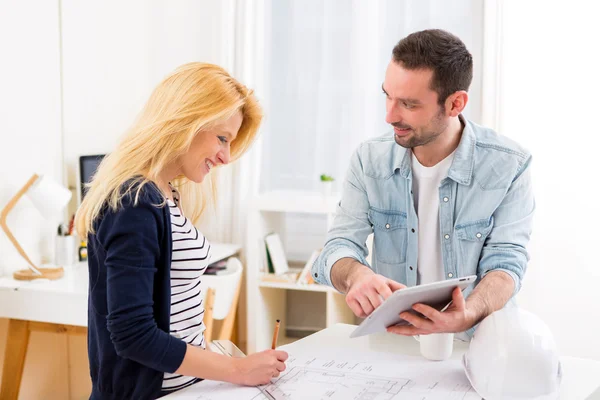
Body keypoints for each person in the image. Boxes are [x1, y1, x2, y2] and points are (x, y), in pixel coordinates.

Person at [75, 63, 288, 400]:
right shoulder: (135, 201)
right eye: (222, 138)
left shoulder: (165, 192)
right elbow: (133, 334)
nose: (226, 156)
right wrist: (238, 370)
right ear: (187, 120)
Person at [311, 29, 535, 339]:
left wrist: (468, 313)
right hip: (393, 345)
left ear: (455, 104)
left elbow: (506, 263)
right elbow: (338, 246)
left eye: (409, 104)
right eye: (387, 96)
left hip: (478, 348)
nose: (390, 116)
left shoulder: (509, 165)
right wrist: (357, 275)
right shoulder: (369, 159)